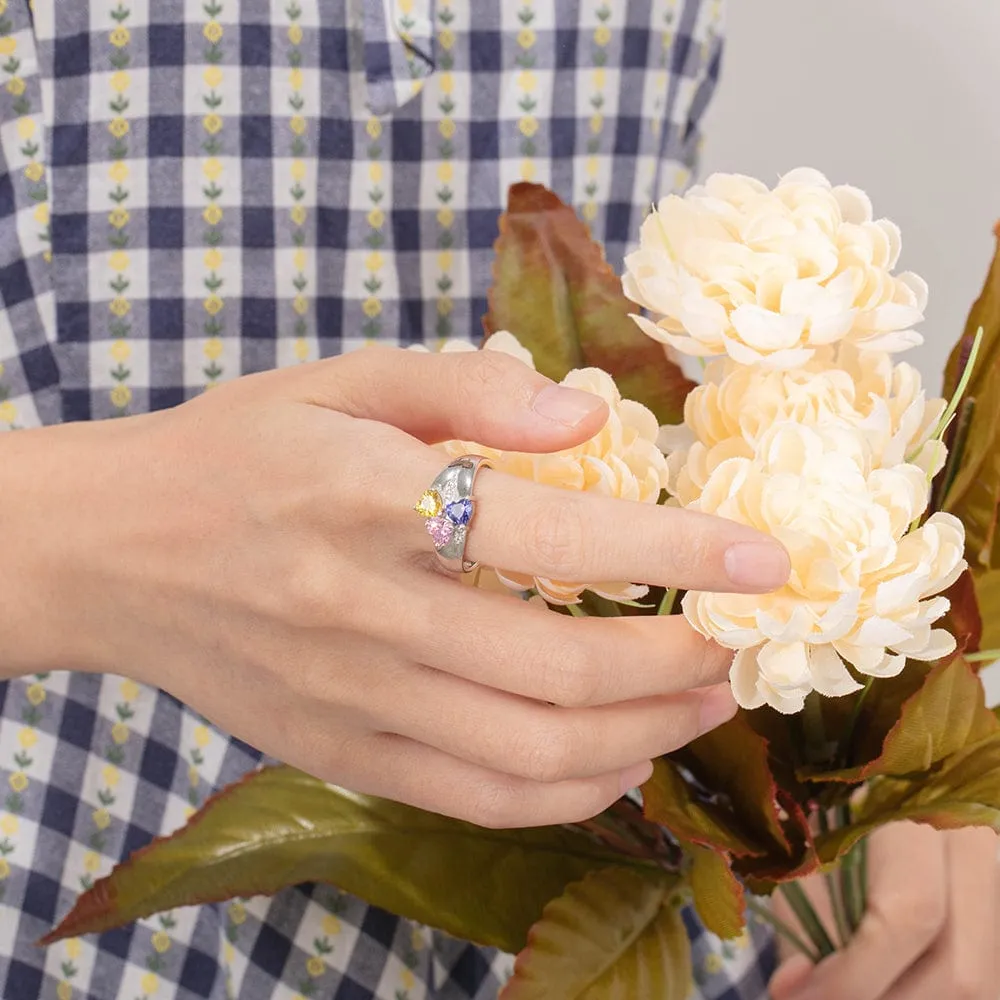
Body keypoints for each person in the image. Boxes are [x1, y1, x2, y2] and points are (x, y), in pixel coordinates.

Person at [0, 2, 996, 998]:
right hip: (71, 877)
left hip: (648, 915)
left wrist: (864, 759)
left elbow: (677, 387)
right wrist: (79, 546)